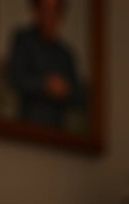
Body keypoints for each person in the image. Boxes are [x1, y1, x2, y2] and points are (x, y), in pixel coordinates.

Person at [6, 0, 83, 129]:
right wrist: (45, 84)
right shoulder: (24, 41)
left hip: (57, 130)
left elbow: (79, 96)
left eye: (55, 11)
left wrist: (65, 90)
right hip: (27, 125)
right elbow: (15, 77)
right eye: (46, 10)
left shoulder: (66, 55)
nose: (50, 16)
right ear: (36, 11)